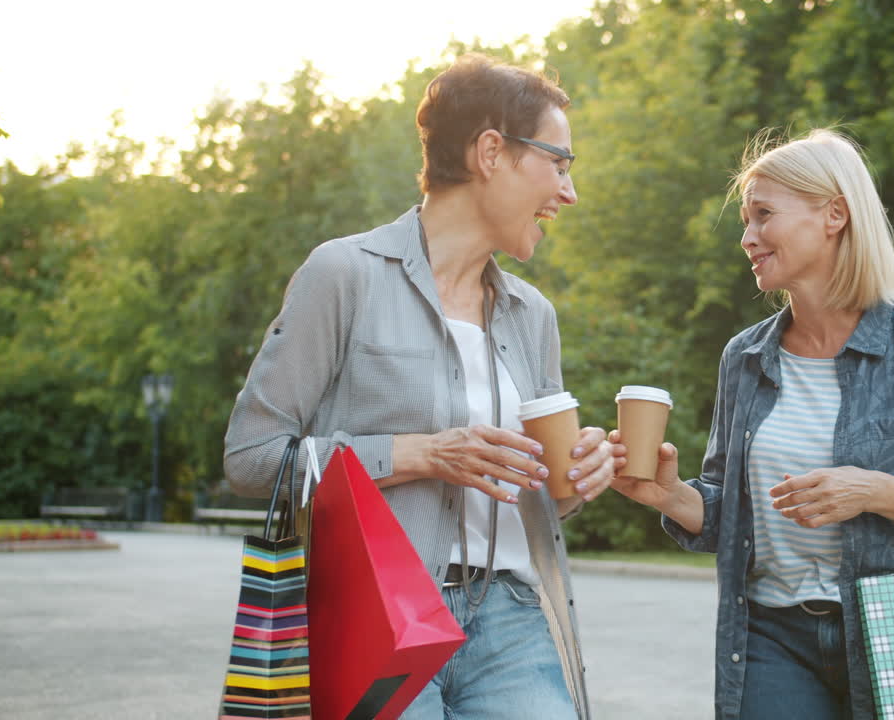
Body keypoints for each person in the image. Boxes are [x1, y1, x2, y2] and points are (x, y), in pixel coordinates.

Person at [223, 53, 615, 719]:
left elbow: (545, 496)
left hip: (514, 618)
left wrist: (577, 477)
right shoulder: (343, 274)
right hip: (378, 614)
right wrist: (420, 454)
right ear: (492, 151)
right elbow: (250, 459)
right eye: (559, 162)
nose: (568, 192)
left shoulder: (533, 316)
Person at [610, 129, 894, 719]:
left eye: (763, 216)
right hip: (771, 637)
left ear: (834, 215)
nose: (747, 238)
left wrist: (871, 490)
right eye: (745, 222)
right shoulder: (744, 358)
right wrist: (670, 496)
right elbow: (731, 512)